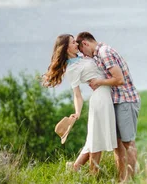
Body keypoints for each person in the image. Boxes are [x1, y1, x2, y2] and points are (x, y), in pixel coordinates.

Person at [42, 34, 117, 175]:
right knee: (96, 141)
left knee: (94, 138)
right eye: (73, 43)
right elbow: (77, 94)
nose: (77, 44)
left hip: (105, 95)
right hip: (100, 98)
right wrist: (77, 112)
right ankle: (92, 176)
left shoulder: (83, 57)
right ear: (66, 48)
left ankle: (75, 167)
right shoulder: (72, 68)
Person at [76, 32, 140, 181]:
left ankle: (129, 181)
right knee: (117, 145)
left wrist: (99, 82)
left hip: (126, 100)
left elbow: (119, 79)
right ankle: (121, 179)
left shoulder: (105, 53)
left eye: (82, 50)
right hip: (116, 102)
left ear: (85, 43)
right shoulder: (99, 54)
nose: (83, 55)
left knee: (128, 143)